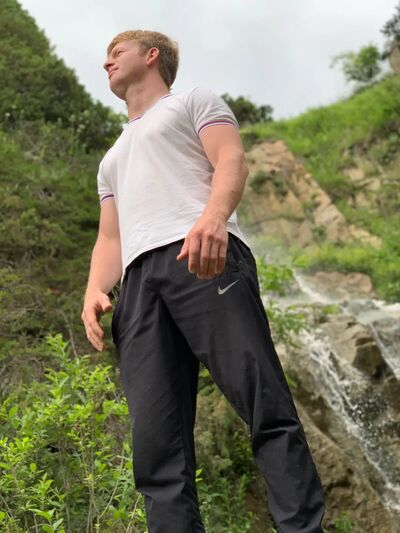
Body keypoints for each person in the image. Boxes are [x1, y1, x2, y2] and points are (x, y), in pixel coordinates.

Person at [81, 29, 326, 533]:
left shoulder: (194, 100)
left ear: (152, 56)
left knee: (263, 402)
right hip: (138, 285)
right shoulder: (111, 158)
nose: (106, 62)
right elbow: (110, 237)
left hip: (203, 254)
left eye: (117, 52)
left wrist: (214, 218)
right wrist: (93, 289)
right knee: (156, 446)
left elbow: (230, 160)